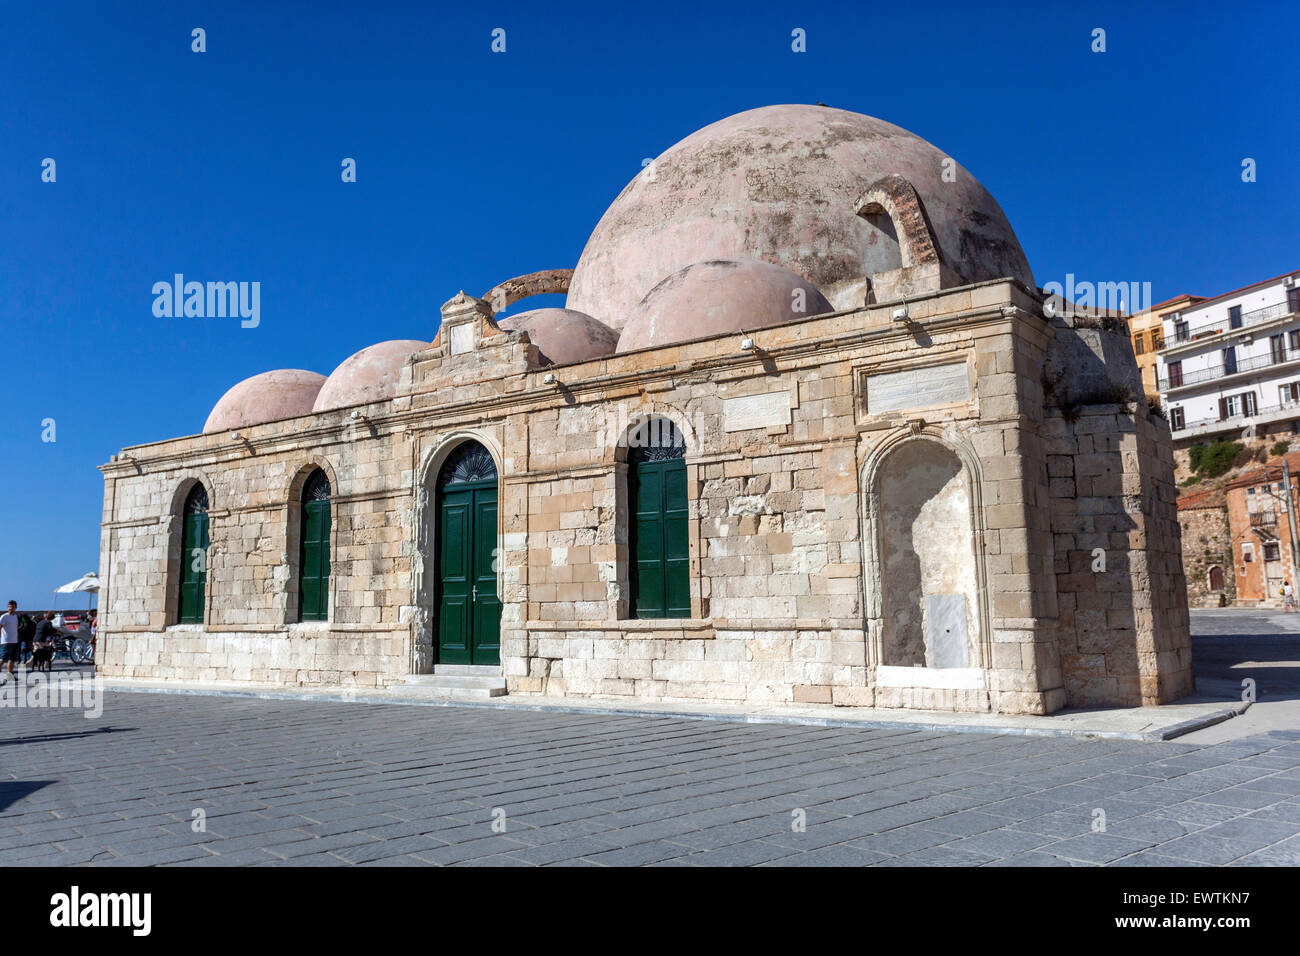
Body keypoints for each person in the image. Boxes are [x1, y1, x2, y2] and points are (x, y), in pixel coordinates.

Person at [0, 601, 20, 684]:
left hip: (14, 640)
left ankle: (10, 676)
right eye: (9, 606)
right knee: (3, 659)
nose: (10, 608)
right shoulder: (4, 616)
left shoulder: (15, 616)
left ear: (15, 607)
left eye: (12, 606)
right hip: (6, 641)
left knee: (12, 659)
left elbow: (15, 627)